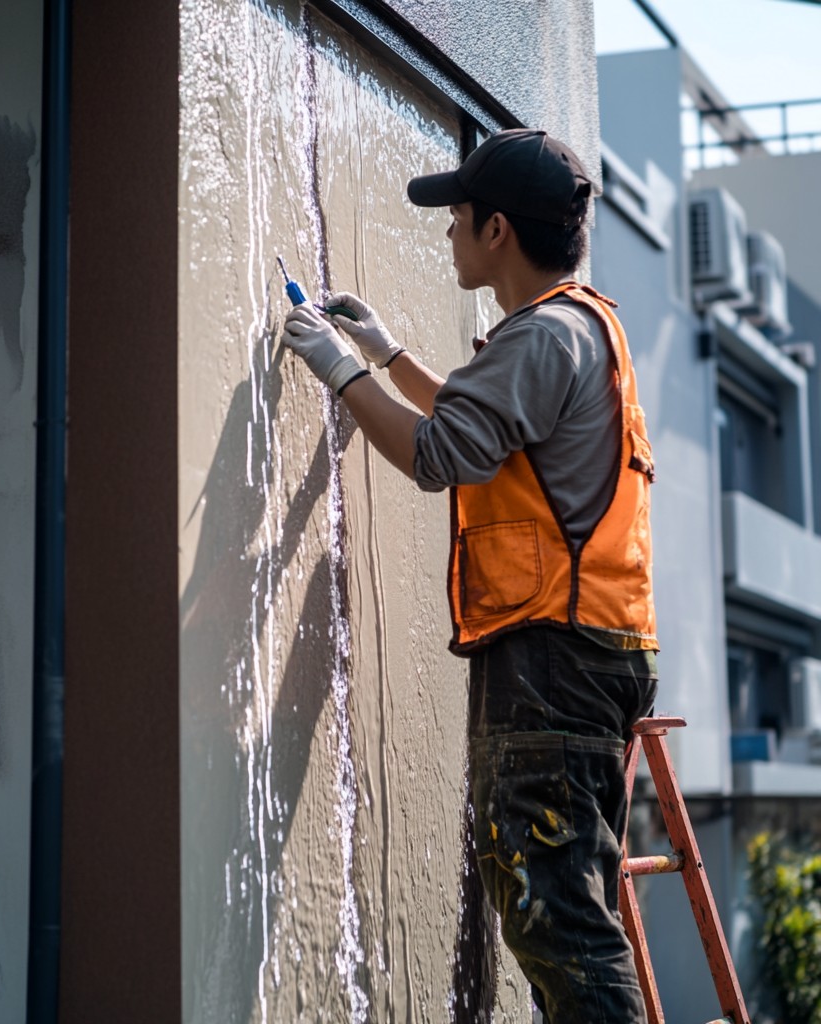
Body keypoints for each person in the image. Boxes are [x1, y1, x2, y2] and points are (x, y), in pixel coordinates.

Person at [280, 128, 659, 1023]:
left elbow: (441, 453)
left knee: (556, 924)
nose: (448, 228)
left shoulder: (542, 336)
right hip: (590, 654)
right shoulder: (577, 326)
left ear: (497, 231)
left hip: (552, 664)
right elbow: (484, 422)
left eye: (459, 214)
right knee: (565, 914)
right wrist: (387, 358)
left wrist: (339, 372)